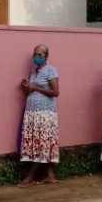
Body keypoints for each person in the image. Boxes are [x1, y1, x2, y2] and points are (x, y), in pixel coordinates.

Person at [19, 44, 60, 187]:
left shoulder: (51, 70)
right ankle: (50, 176)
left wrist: (35, 87)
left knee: (41, 143)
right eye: (35, 54)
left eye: (40, 55)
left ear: (46, 56)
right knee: (42, 143)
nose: (37, 57)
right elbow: (33, 90)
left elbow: (55, 92)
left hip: (45, 113)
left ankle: (30, 176)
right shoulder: (34, 71)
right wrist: (28, 87)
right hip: (33, 112)